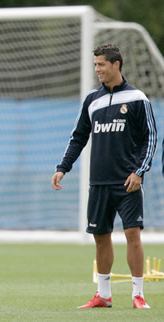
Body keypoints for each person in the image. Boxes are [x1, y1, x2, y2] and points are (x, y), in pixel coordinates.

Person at [52, 44, 157, 309]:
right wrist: (63, 167)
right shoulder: (92, 100)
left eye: (101, 64)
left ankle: (137, 294)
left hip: (128, 182)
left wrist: (139, 172)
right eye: (95, 65)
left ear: (116, 65)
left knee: (132, 233)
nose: (97, 69)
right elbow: (78, 137)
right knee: (101, 236)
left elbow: (151, 139)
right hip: (98, 182)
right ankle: (104, 295)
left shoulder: (137, 98)